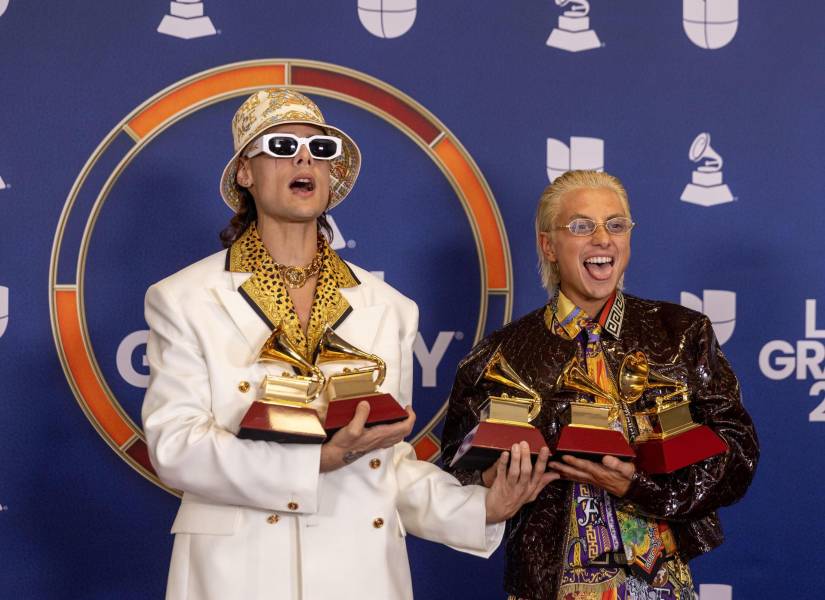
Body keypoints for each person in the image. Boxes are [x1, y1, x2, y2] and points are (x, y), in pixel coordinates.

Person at [141, 88, 554, 600]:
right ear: (244, 173)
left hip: (360, 574)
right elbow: (176, 447)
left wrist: (483, 508)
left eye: (320, 149)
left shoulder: (390, 307)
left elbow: (387, 465)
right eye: (281, 145)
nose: (303, 158)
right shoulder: (183, 298)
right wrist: (315, 462)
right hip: (235, 573)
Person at [441, 170, 759, 600]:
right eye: (581, 226)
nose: (602, 238)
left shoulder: (681, 334)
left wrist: (636, 486)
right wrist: (489, 483)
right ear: (547, 245)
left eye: (615, 224)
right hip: (545, 586)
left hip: (659, 585)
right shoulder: (499, 355)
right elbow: (451, 477)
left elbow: (737, 454)